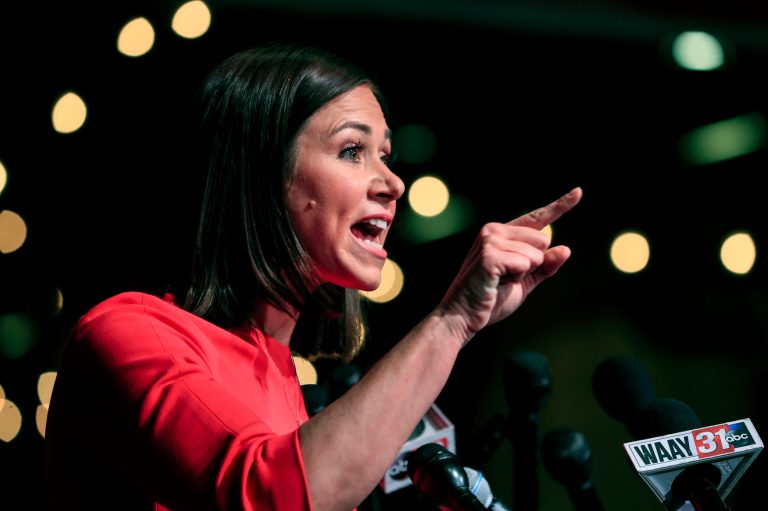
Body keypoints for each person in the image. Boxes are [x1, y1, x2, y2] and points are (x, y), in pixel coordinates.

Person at [43, 42, 583, 511]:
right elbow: (268, 496)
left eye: (385, 155)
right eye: (352, 151)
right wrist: (451, 322)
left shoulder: (286, 382)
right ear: (261, 173)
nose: (393, 182)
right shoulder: (125, 333)